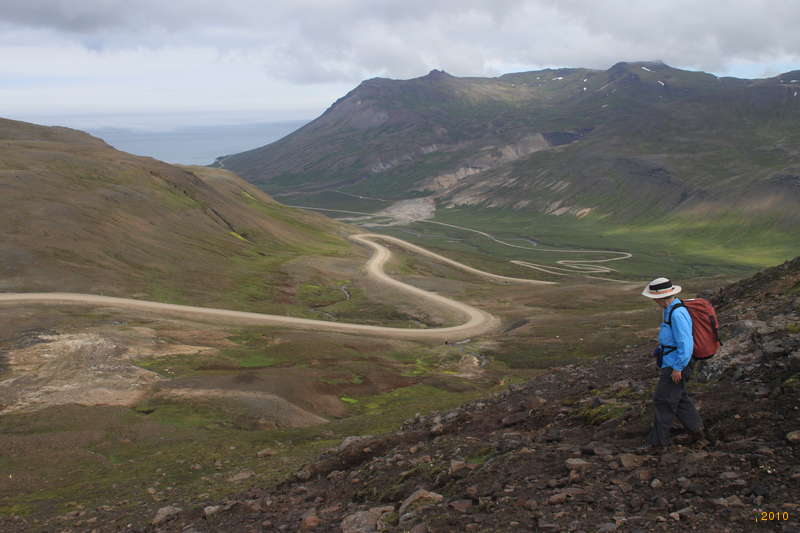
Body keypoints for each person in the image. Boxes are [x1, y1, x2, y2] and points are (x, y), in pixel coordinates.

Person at [641, 277, 704, 448]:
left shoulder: (677, 313)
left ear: (661, 297)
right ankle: (697, 432)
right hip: (671, 360)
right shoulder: (670, 310)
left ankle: (657, 443)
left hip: (676, 364)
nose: (653, 301)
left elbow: (686, 342)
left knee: (663, 400)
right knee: (680, 398)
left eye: (654, 298)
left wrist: (678, 368)